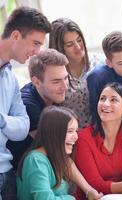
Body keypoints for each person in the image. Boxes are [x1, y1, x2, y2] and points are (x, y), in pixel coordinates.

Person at [0, 6, 51, 200]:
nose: (37, 52)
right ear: (15, 36)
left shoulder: (10, 78)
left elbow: (23, 128)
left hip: (7, 172)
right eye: (35, 43)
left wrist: (3, 121)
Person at [75, 82, 122, 197]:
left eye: (113, 100)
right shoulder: (83, 138)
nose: (105, 104)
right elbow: (95, 185)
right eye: (102, 99)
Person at [17, 106, 102, 200]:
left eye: (76, 131)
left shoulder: (56, 156)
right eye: (70, 131)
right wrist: (71, 199)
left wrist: (89, 191)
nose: (76, 137)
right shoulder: (36, 160)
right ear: (53, 132)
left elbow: (68, 164)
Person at [7, 49, 69, 170]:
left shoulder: (52, 94)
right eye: (56, 81)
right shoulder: (27, 105)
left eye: (66, 78)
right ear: (36, 82)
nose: (65, 86)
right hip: (16, 175)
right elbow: (58, 147)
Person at [49, 18, 100, 128]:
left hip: (101, 132)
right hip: (72, 136)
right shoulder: (53, 73)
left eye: (79, 40)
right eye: (69, 44)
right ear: (59, 48)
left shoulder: (97, 63)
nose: (77, 47)